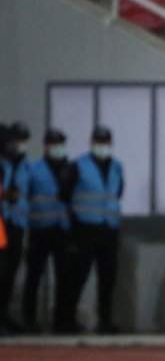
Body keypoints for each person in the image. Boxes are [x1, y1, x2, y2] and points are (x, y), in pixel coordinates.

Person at [62, 126, 124, 334]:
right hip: (85, 230)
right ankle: (67, 320)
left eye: (105, 142)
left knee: (108, 278)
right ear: (91, 142)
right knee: (77, 276)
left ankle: (105, 322)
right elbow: (65, 194)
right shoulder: (78, 165)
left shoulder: (116, 167)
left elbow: (117, 193)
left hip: (109, 230)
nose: (102, 146)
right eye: (99, 141)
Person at [22, 128, 73, 334]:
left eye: (60, 143)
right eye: (53, 143)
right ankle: (29, 321)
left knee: (64, 278)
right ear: (45, 145)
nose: (56, 147)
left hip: (63, 230)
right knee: (33, 277)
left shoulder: (70, 168)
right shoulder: (33, 169)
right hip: (40, 229)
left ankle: (61, 322)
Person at [0, 121, 31, 334]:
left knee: (10, 274)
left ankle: (4, 317)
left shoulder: (26, 166)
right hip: (1, 223)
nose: (16, 145)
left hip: (17, 224)